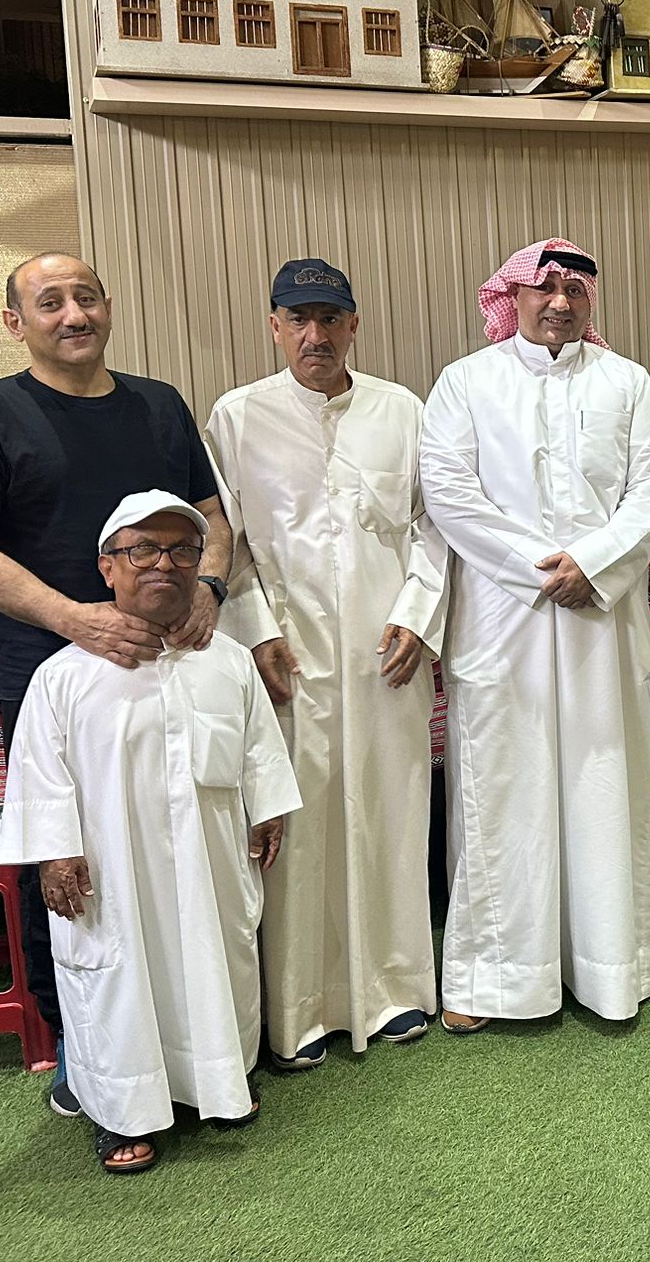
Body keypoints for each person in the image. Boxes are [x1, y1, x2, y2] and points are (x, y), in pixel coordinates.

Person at [0, 251, 231, 1119]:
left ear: (109, 308)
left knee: (178, 838)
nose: (73, 314)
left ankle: (193, 1036)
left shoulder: (159, 405)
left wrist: (209, 587)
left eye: (86, 297)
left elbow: (213, 522)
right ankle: (79, 1046)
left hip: (168, 663)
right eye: (49, 302)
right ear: (15, 323)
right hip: (49, 666)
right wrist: (75, 619)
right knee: (64, 856)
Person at [0, 492, 300, 1175]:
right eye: (142, 550)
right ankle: (120, 1111)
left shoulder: (228, 661)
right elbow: (39, 772)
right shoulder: (63, 676)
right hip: (112, 878)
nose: (164, 564)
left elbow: (259, 747)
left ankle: (218, 1082)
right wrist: (54, 854)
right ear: (107, 567)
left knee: (216, 958)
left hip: (210, 864)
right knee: (119, 980)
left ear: (199, 566)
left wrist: (268, 808)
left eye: (182, 551)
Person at [418, 239, 650, 1030]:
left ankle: (610, 969)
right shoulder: (465, 382)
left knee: (603, 789)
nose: (560, 301)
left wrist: (591, 563)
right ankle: (496, 982)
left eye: (575, 288)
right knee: (503, 796)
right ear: (513, 296)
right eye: (544, 286)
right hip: (505, 623)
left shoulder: (628, 383)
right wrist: (542, 570)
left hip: (600, 617)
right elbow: (448, 492)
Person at [203, 258, 449, 1069]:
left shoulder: (401, 409)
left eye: (330, 319)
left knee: (391, 814)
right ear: (274, 326)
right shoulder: (238, 416)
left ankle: (395, 990)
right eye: (299, 319)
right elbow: (226, 540)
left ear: (354, 324)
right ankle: (299, 1011)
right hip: (288, 662)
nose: (316, 335)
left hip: (388, 657)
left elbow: (435, 527)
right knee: (297, 829)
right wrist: (254, 631)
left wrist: (418, 615)